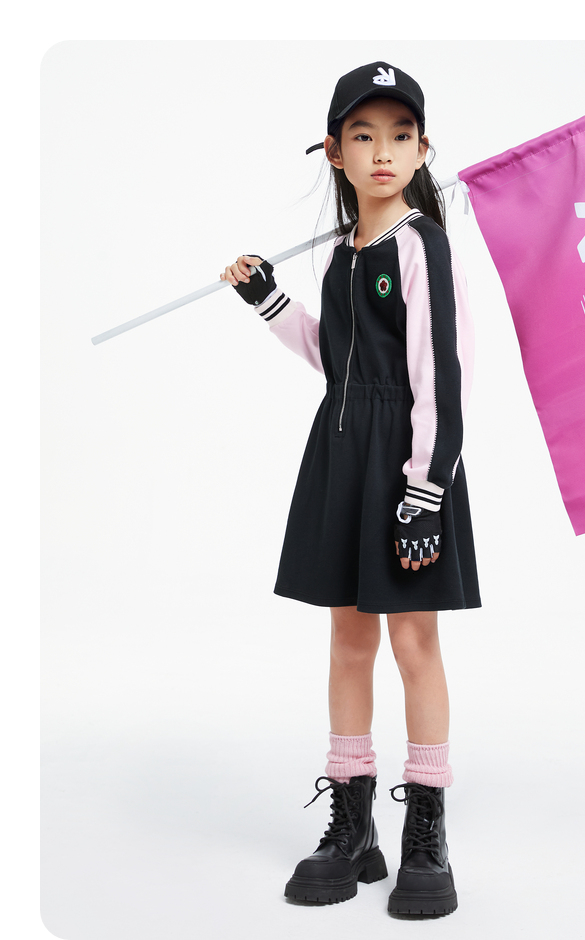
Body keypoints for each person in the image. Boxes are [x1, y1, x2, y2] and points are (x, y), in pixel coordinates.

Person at [220, 61, 480, 917]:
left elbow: (439, 377)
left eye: (400, 135)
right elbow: (338, 359)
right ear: (334, 152)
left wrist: (424, 492)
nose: (382, 152)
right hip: (340, 452)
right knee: (348, 638)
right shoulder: (343, 253)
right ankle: (353, 826)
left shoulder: (420, 245)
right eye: (363, 136)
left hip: (406, 463)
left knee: (414, 640)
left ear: (422, 149)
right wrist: (268, 300)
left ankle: (426, 834)